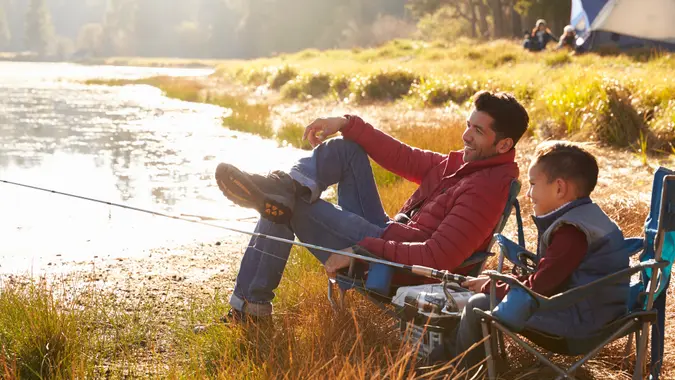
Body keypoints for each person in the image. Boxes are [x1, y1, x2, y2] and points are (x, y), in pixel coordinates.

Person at [213, 91, 529, 323]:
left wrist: (361, 249)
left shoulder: (486, 188)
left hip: (395, 267)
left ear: (503, 145)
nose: (466, 136)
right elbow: (402, 156)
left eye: (478, 131)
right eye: (468, 125)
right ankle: (285, 188)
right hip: (392, 233)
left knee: (286, 206)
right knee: (345, 150)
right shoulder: (464, 165)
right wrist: (343, 122)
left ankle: (249, 309)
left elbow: (438, 258)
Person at [455, 142, 630, 368]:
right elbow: (552, 277)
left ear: (559, 188)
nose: (528, 194)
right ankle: (490, 368)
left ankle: (462, 372)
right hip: (601, 314)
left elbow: (539, 288)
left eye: (533, 184)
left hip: (578, 327)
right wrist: (497, 283)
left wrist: (491, 286)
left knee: (477, 304)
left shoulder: (570, 231)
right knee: (487, 296)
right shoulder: (589, 217)